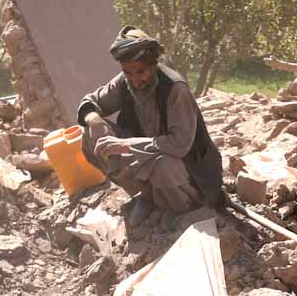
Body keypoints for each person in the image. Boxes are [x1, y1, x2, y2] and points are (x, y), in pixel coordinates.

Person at [78, 26, 224, 231]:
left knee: (163, 164)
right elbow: (92, 101)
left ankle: (183, 208)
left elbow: (178, 145)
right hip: (147, 156)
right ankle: (147, 195)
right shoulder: (126, 82)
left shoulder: (175, 89)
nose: (135, 80)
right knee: (90, 137)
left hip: (190, 171)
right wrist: (94, 120)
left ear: (153, 65)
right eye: (128, 72)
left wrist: (125, 145)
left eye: (141, 71)